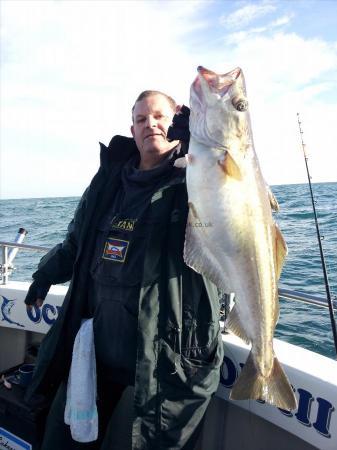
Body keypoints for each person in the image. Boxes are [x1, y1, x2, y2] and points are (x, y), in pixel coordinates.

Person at [24, 90, 224, 450]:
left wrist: (204, 146)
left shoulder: (199, 179)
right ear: (131, 130)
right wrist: (44, 275)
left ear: (178, 120)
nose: (151, 125)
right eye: (141, 119)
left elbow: (234, 213)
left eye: (160, 117)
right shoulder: (108, 182)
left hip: (168, 352)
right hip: (99, 344)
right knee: (60, 439)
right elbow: (76, 243)